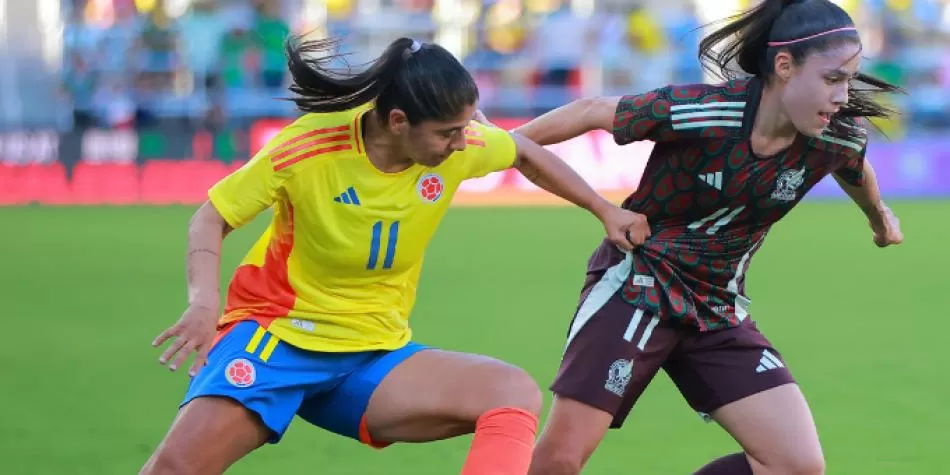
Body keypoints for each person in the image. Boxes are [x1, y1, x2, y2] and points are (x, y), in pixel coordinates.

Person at [141, 36, 649, 475]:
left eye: (465, 129)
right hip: (276, 342)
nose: (461, 143)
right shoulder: (308, 148)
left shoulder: (458, 143)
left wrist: (603, 209)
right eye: (448, 133)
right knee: (174, 469)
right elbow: (211, 216)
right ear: (399, 121)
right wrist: (204, 304)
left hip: (371, 356)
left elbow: (522, 151)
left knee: (511, 392)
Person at [491, 1, 905, 474]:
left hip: (716, 307)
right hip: (638, 288)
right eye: (833, 79)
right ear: (784, 67)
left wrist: (879, 216)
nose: (842, 95)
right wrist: (502, 146)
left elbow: (855, 168)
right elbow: (592, 110)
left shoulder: (836, 136)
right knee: (558, 461)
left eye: (849, 80)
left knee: (796, 466)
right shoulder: (704, 112)